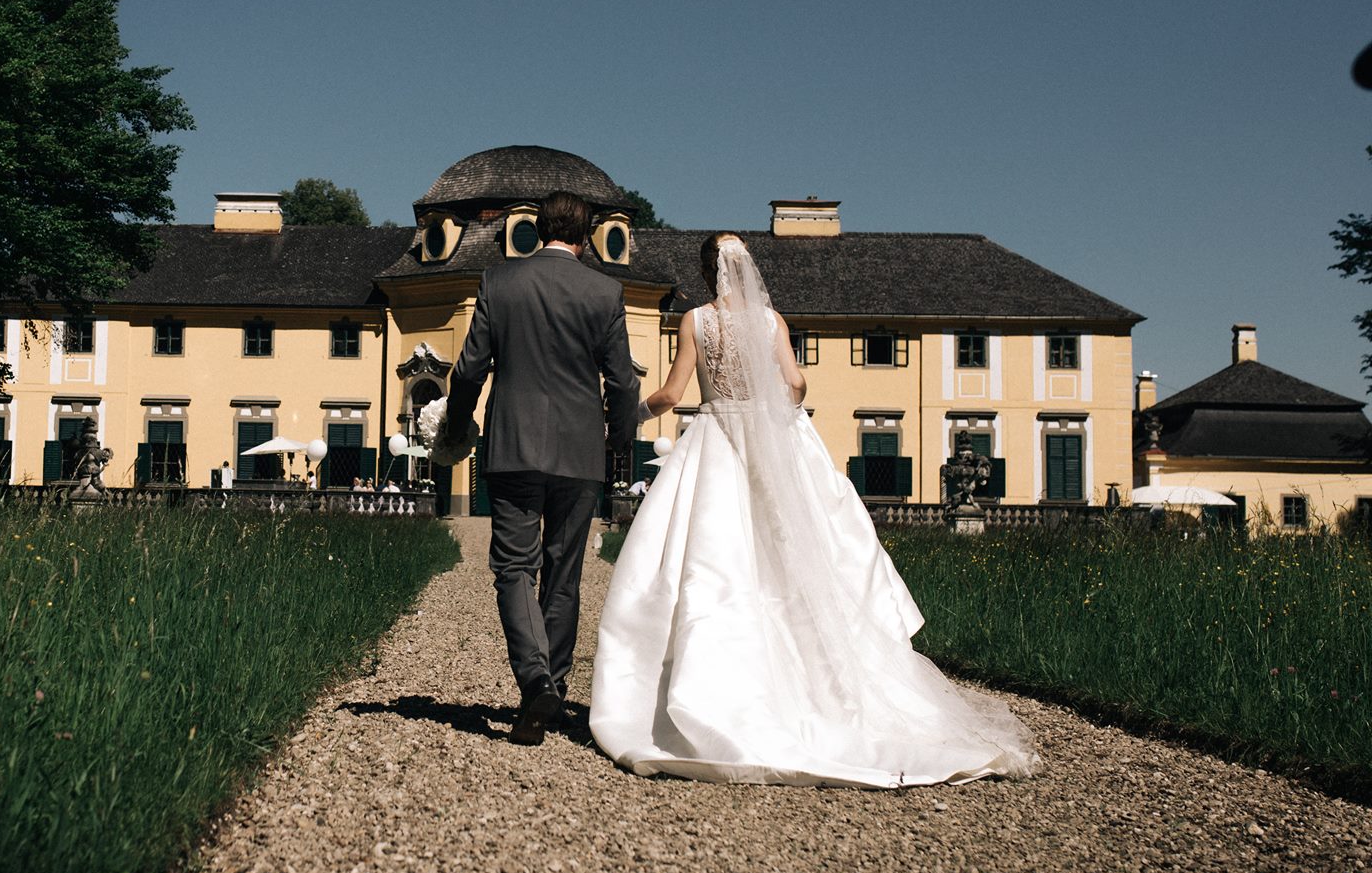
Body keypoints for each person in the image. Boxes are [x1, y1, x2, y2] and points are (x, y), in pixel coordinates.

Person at [589, 233, 1040, 786]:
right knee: (793, 554)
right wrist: (775, 410)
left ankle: (705, 692)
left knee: (711, 559)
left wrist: (630, 416)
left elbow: (671, 394)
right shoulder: (771, 322)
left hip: (715, 436)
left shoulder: (696, 321)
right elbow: (797, 383)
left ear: (707, 272)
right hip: (770, 437)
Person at [444, 190, 640, 745]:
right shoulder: (605, 291)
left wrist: (457, 425)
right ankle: (551, 687)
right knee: (563, 574)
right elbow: (623, 381)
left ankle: (536, 682)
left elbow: (469, 370)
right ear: (587, 237)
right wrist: (621, 441)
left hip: (513, 444)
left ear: (538, 227)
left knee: (514, 568)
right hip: (581, 452)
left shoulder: (499, 281)